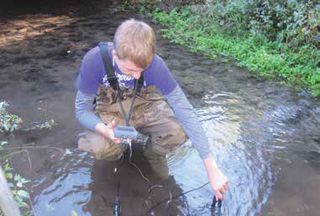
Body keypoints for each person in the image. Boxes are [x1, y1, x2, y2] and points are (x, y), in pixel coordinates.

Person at [75, 18, 228, 200]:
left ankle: (153, 154)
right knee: (97, 144)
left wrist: (212, 169)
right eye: (130, 70)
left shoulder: (156, 65)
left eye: (143, 69)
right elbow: (82, 110)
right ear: (115, 55)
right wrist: (104, 130)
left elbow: (186, 112)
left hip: (148, 103)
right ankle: (118, 156)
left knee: (178, 131)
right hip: (111, 108)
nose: (138, 75)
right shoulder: (94, 60)